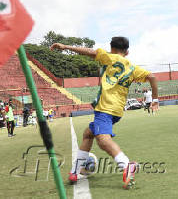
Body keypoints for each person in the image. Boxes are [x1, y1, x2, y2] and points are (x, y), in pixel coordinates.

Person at [50, 37, 159, 189]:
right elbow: (152, 77)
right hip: (117, 111)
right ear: (127, 52)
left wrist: (65, 46)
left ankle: (127, 165)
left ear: (112, 48)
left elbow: (90, 52)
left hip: (105, 108)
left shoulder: (110, 57)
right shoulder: (133, 68)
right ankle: (75, 171)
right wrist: (155, 99)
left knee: (102, 140)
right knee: (88, 134)